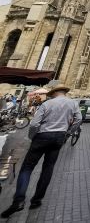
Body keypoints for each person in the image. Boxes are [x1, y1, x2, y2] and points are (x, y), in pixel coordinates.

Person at [1, 84, 81, 217]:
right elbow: (78, 119)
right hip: (59, 137)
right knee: (48, 168)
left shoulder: (47, 104)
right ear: (64, 92)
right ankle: (37, 200)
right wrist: (68, 133)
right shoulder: (73, 103)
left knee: (27, 168)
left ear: (54, 93)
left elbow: (34, 123)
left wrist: (32, 137)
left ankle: (19, 200)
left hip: (42, 136)